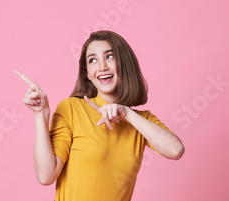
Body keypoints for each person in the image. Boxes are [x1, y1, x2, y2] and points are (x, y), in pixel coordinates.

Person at [14, 30, 185, 201]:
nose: (102, 67)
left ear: (124, 64)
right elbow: (46, 176)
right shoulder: (72, 108)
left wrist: (127, 113)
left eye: (109, 57)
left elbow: (175, 150)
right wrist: (41, 114)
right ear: (87, 73)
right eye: (93, 60)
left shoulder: (140, 121)